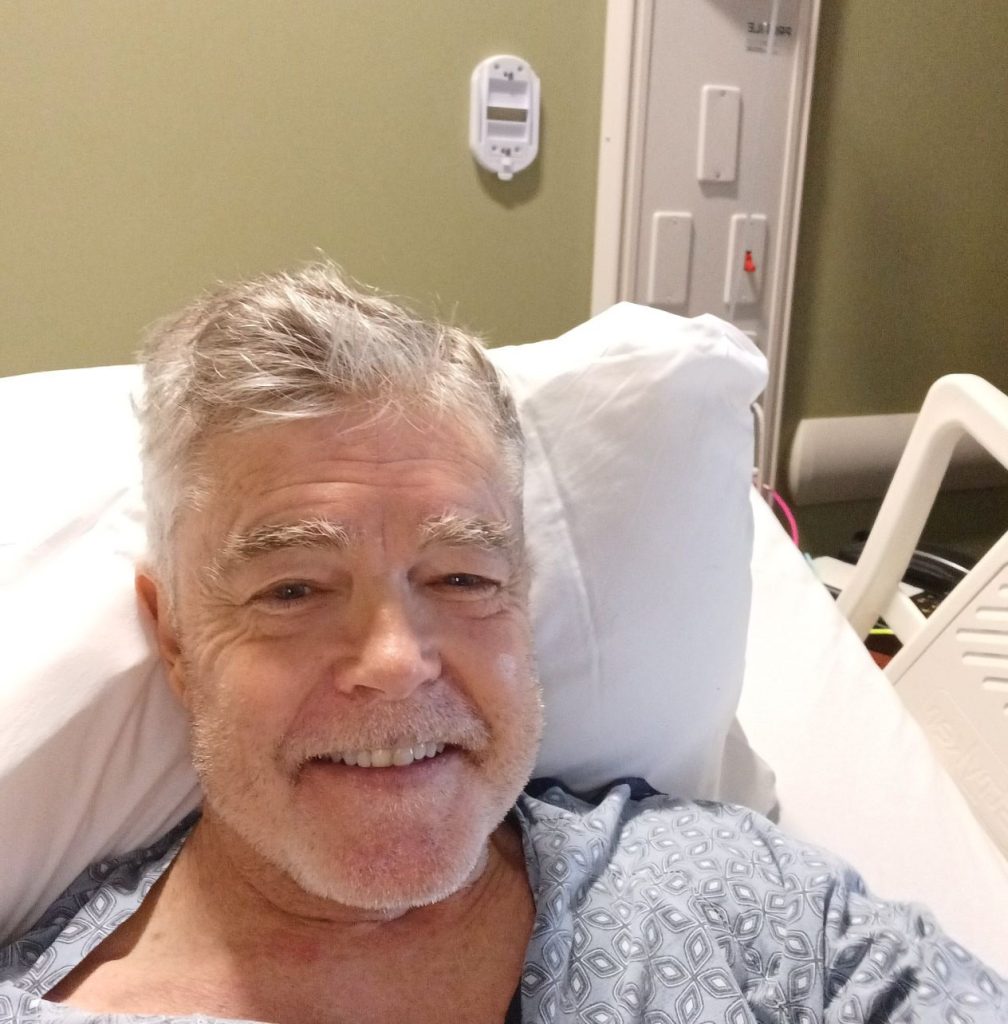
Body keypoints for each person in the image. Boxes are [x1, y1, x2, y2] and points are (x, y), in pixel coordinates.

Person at [0, 264, 1004, 1023]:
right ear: (176, 639)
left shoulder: (750, 909)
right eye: (293, 588)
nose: (397, 661)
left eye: (463, 578)